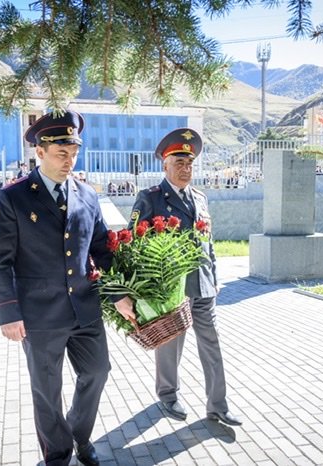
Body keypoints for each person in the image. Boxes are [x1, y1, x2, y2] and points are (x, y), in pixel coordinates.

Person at [0, 110, 129, 466]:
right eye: (61, 153)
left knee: (97, 372)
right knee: (47, 391)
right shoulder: (15, 197)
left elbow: (100, 249)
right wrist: (8, 312)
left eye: (74, 152)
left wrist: (119, 294)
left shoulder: (87, 195)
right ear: (40, 152)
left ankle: (78, 436)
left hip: (85, 308)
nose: (70, 160)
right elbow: (1, 261)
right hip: (39, 315)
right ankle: (58, 453)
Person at [122, 128, 242, 427]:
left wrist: (213, 277)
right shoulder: (149, 198)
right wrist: (144, 291)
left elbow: (207, 241)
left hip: (202, 286)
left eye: (189, 164)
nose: (185, 169)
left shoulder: (200, 198)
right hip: (170, 289)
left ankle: (218, 405)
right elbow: (134, 244)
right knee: (170, 344)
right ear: (165, 165)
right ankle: (168, 394)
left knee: (211, 344)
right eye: (179, 163)